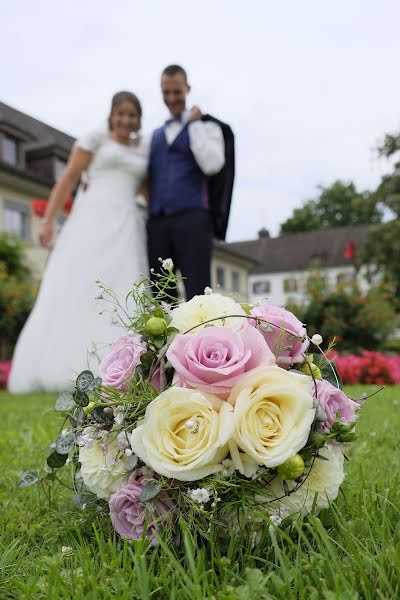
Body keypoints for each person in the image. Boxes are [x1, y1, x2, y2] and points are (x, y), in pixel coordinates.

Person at [8, 91, 148, 393]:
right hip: (92, 218)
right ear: (111, 115)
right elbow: (69, 177)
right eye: (120, 113)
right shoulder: (95, 140)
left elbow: (147, 190)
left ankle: (122, 369)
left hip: (126, 223)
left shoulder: (143, 151)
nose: (125, 120)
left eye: (132, 114)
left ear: (138, 120)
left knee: (123, 287)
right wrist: (48, 220)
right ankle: (65, 365)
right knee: (81, 286)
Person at [147, 64, 234, 301]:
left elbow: (212, 165)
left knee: (197, 291)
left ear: (187, 89)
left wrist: (194, 124)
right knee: (160, 294)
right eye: (166, 92)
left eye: (177, 92)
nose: (172, 98)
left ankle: (200, 338)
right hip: (157, 222)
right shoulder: (154, 136)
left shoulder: (206, 127)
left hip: (194, 219)